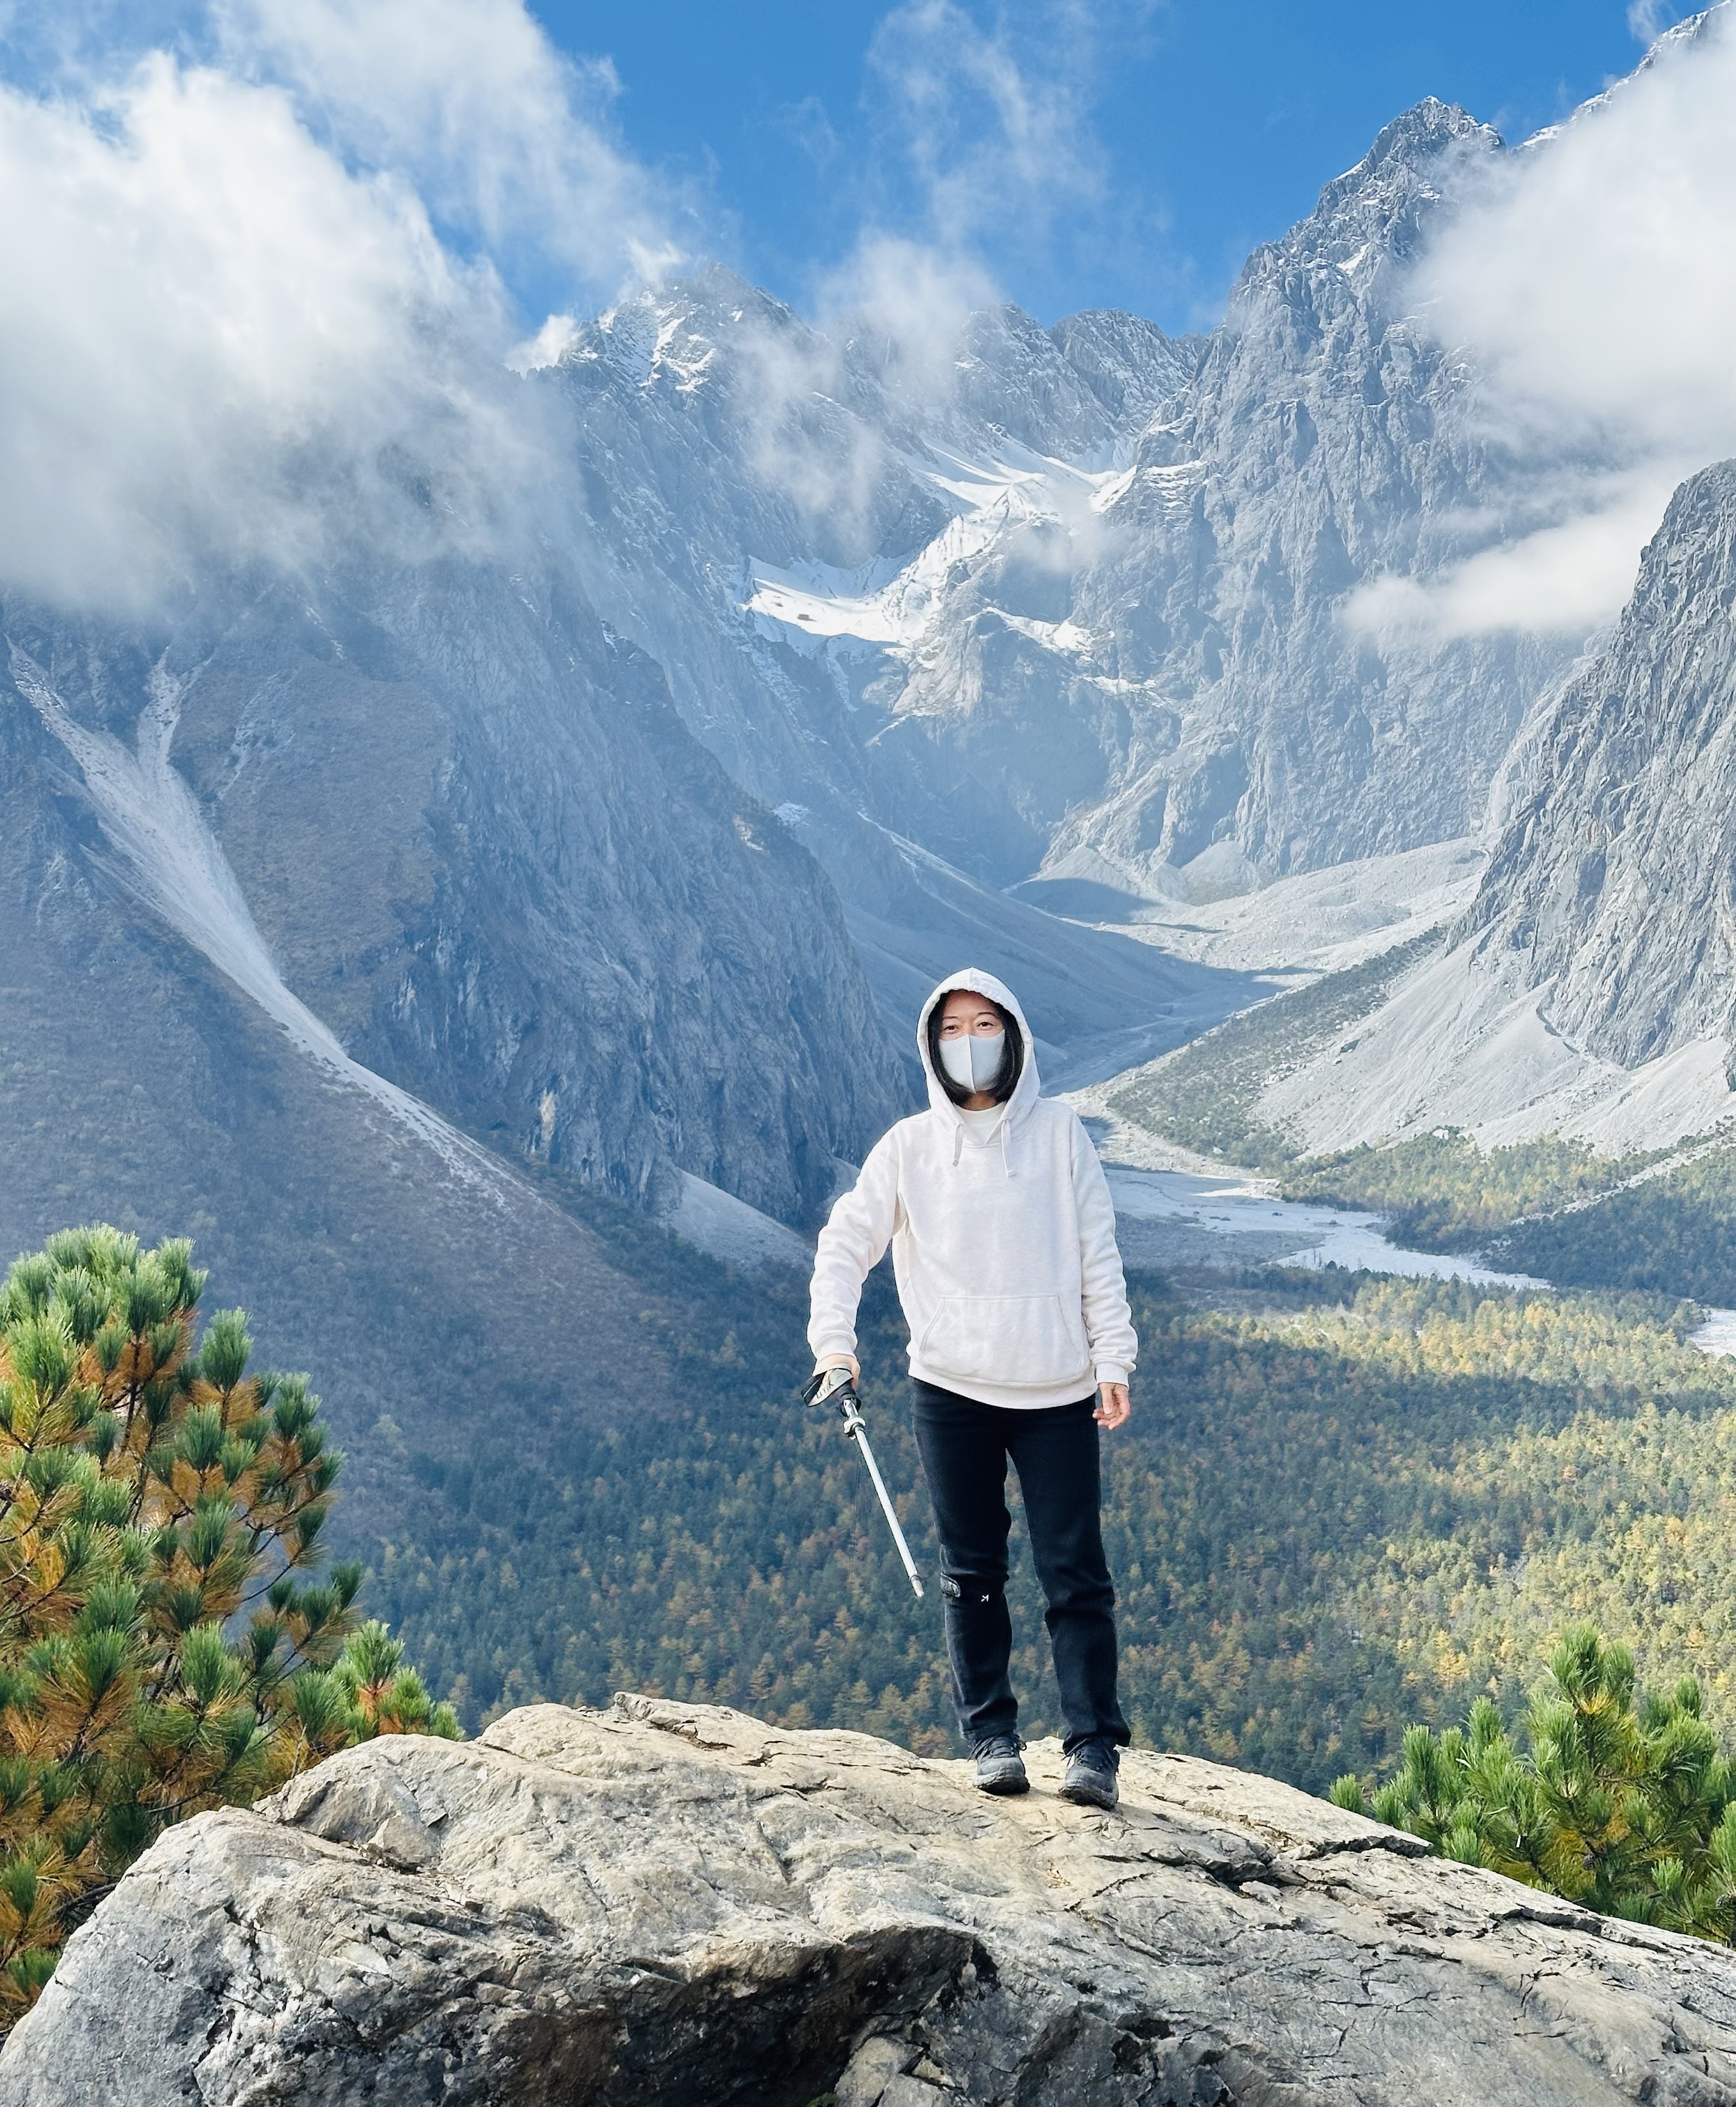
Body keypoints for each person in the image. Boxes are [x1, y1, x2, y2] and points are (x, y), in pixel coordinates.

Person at [808, 968, 1137, 1809]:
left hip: (1056, 1389)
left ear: (1013, 1035)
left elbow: (1098, 1253)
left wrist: (1113, 1360)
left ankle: (1092, 1747)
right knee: (970, 1572)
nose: (968, 1042)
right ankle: (992, 1737)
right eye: (951, 1029)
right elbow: (846, 1243)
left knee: (1075, 1573)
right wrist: (833, 1344)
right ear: (931, 1046)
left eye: (984, 1024)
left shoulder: (1061, 1135)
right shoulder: (909, 1147)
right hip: (950, 1390)